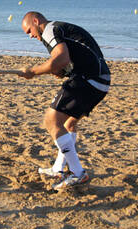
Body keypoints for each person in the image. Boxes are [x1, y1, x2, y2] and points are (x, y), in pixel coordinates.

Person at [19, 11, 110, 190]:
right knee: (68, 124)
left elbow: (61, 58)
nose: (30, 36)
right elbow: (74, 58)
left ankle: (78, 173)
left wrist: (33, 72)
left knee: (51, 120)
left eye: (29, 30)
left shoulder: (50, 30)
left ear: (36, 21)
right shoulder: (61, 29)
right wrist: (62, 71)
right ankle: (58, 168)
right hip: (102, 80)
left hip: (88, 79)